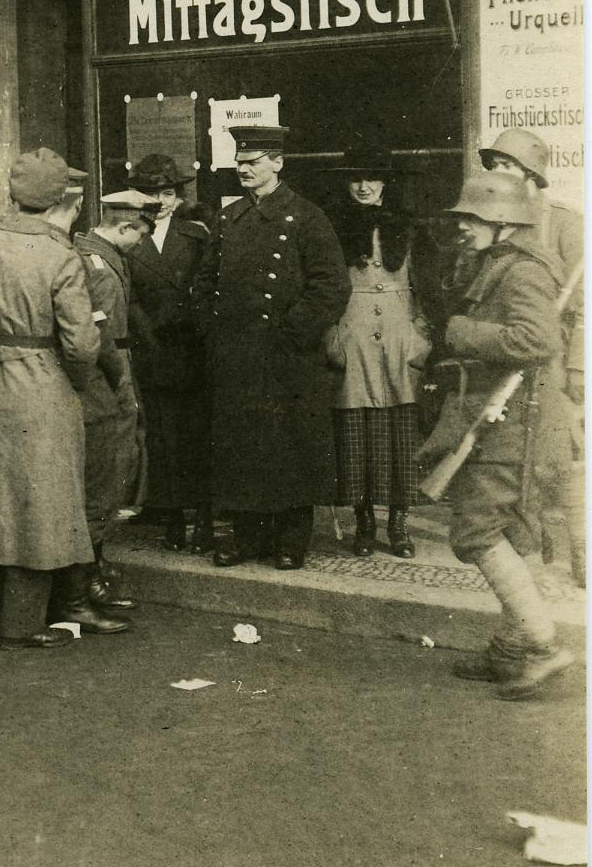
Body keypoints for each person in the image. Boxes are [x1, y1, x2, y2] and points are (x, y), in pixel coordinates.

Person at [429, 172, 576, 700]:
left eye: (472, 219)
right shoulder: (499, 263)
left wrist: (464, 332)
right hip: (499, 416)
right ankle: (513, 648)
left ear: (504, 223)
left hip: (514, 424)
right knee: (509, 530)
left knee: (475, 531)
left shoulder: (522, 273)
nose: (463, 227)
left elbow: (538, 340)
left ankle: (539, 642)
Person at [0, 149, 105, 648]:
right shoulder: (61, 255)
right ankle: (22, 623)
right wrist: (74, 382)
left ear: (12, 192)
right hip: (42, 383)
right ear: (60, 197)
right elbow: (81, 343)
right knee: (40, 501)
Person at [194, 125, 351, 571]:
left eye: (254, 161)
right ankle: (245, 537)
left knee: (289, 449)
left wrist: (290, 332)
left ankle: (290, 540)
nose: (244, 169)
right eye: (240, 162)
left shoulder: (306, 217)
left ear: (278, 163)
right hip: (236, 357)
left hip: (288, 359)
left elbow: (331, 287)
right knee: (241, 449)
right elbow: (205, 282)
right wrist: (213, 330)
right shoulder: (228, 218)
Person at [478, 127, 584, 587]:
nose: (498, 175)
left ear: (531, 176)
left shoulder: (562, 222)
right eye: (494, 166)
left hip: (553, 361)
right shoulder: (491, 219)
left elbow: (585, 302)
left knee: (560, 460)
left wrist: (579, 366)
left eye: (508, 166)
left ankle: (581, 547)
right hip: (507, 361)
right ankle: (527, 550)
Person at [323, 136, 433, 559]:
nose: (364, 186)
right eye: (355, 179)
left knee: (401, 438)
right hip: (353, 344)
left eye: (372, 178)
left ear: (386, 182)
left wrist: (420, 338)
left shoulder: (410, 226)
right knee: (357, 439)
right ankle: (364, 521)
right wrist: (332, 339)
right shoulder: (330, 228)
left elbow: (430, 291)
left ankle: (399, 524)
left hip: (400, 345)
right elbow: (321, 289)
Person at [124, 155, 214, 552]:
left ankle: (206, 520)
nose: (159, 201)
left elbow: (210, 287)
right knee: (162, 437)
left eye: (167, 193)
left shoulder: (197, 235)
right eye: (150, 193)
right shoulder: (128, 240)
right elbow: (128, 301)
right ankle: (173, 517)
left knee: (199, 435)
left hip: (193, 349)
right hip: (152, 350)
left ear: (178, 197)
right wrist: (148, 337)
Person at [73, 190, 156, 617]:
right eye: (138, 235)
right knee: (107, 472)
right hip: (108, 371)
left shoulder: (98, 255)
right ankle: (91, 573)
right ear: (124, 227)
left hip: (113, 363)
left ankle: (94, 565)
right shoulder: (98, 264)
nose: (139, 244)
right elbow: (101, 335)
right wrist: (120, 380)